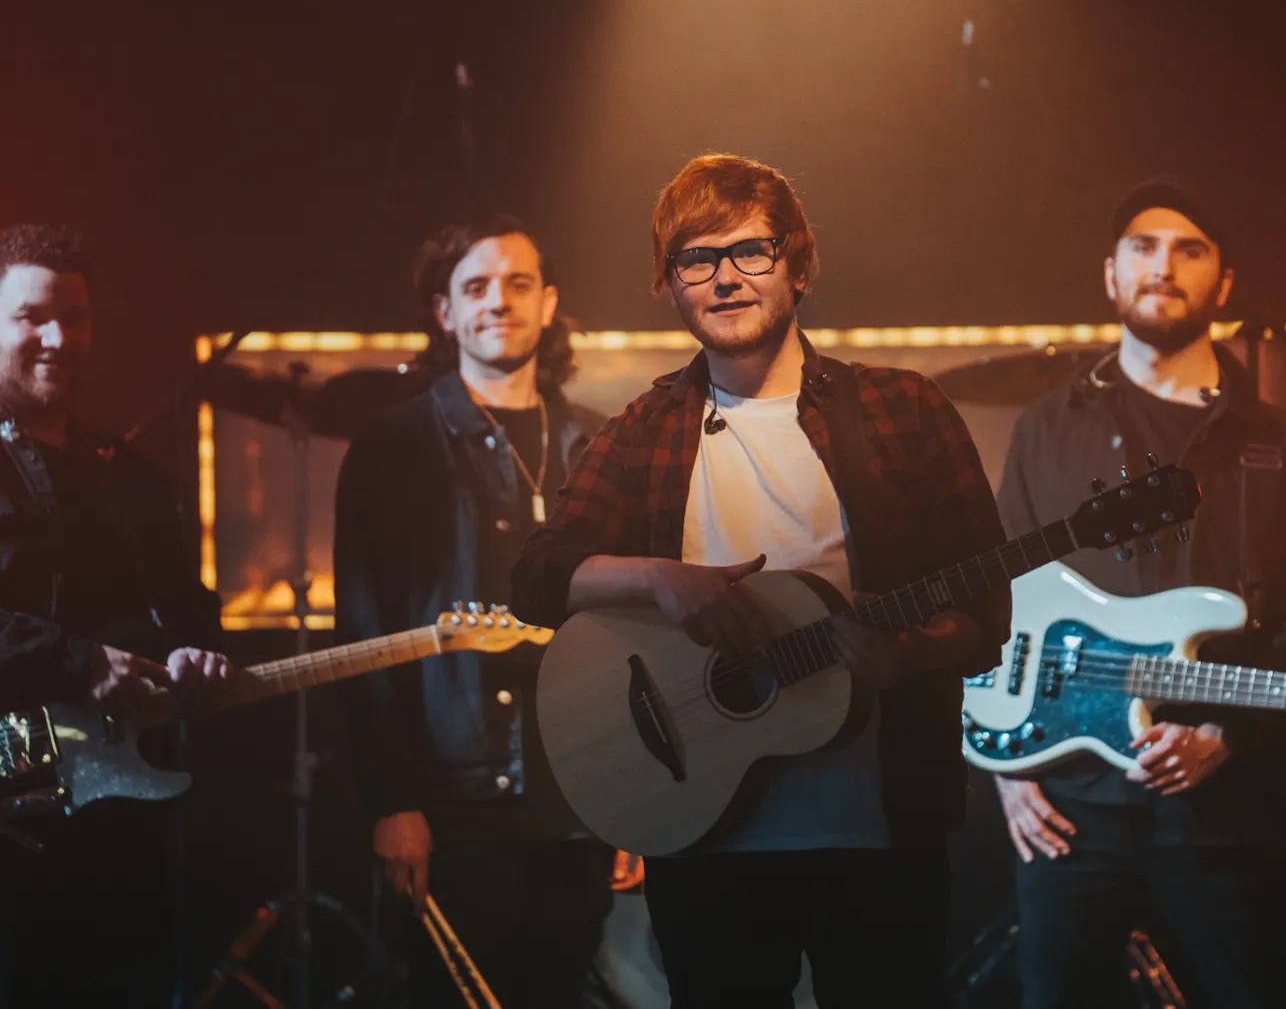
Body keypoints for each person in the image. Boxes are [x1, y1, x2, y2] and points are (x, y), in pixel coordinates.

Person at [510, 154, 1012, 1009]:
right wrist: (661, 581)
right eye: (696, 260)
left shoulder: (904, 409)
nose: (726, 278)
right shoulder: (646, 427)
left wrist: (909, 656)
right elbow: (536, 577)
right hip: (701, 829)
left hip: (881, 827)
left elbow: (982, 610)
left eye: (752, 252)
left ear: (800, 265)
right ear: (670, 286)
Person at [992, 183, 1286, 1009]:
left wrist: (1226, 731)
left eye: (1191, 250)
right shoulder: (1046, 427)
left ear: (1223, 285)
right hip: (1066, 794)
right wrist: (1006, 766)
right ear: (1110, 276)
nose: (1164, 266)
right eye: (1144, 247)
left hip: (1222, 804)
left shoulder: (1276, 442)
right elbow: (997, 603)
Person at [334, 217, 612, 1009]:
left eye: (519, 284)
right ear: (444, 312)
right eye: (477, 286)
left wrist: (633, 795)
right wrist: (393, 801)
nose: (500, 302)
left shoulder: (597, 443)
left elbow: (632, 634)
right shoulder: (391, 447)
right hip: (452, 805)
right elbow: (364, 634)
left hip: (580, 801)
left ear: (549, 303)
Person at [0, 224, 233, 1007]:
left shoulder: (126, 474)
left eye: (75, 317)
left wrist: (199, 651)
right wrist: (78, 660)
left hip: (117, 826)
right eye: (31, 316)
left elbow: (188, 603)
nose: (57, 337)